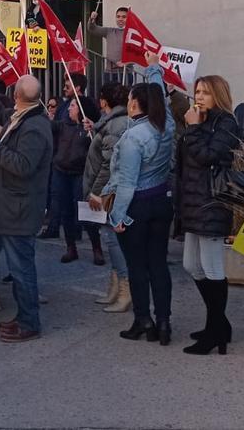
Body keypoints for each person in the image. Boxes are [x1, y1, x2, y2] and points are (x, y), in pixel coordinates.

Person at [95, 54, 176, 345]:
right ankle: (164, 321)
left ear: (133, 104)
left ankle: (144, 319)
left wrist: (117, 217)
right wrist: (154, 68)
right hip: (162, 201)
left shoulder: (133, 138)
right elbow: (159, 96)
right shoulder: (166, 125)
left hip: (138, 206)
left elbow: (126, 183)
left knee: (138, 266)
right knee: (158, 265)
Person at [0, 72, 53, 343]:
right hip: (13, 207)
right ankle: (23, 317)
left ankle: (29, 322)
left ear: (17, 96)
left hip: (19, 210)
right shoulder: (24, 114)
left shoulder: (34, 127)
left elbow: (23, 166)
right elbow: (0, 112)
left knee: (21, 269)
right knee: (20, 267)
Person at [177, 75, 240, 355]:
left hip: (212, 202)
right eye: (197, 91)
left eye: (205, 92)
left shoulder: (226, 122)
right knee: (192, 264)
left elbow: (207, 156)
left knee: (213, 268)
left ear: (218, 95)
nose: (199, 97)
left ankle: (215, 331)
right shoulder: (201, 121)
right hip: (193, 201)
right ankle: (219, 324)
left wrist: (193, 128)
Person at [83, 82, 132, 313]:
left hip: (112, 192)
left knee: (114, 240)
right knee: (111, 240)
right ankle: (115, 287)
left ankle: (125, 289)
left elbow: (108, 163)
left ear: (104, 101)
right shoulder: (113, 122)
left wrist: (97, 191)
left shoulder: (116, 123)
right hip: (112, 190)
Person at [50, 99, 100, 264]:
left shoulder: (89, 128)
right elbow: (49, 126)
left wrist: (93, 131)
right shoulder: (62, 125)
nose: (69, 108)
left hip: (80, 174)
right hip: (61, 171)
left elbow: (98, 148)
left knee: (87, 211)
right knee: (66, 211)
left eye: (73, 105)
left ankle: (96, 248)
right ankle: (70, 248)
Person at [87, 6, 129, 81]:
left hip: (126, 73)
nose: (120, 19)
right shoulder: (109, 31)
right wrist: (92, 19)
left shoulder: (132, 34)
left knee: (124, 93)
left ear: (129, 18)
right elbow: (92, 29)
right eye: (118, 16)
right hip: (110, 72)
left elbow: (138, 54)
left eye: (124, 17)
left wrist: (127, 62)